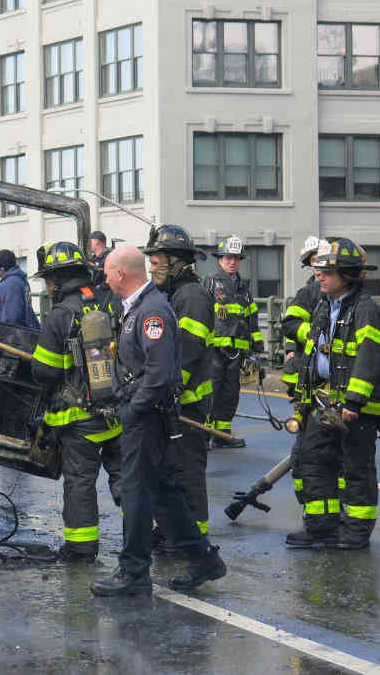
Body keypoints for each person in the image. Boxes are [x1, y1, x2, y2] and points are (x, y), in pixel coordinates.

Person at [91, 246, 226, 597]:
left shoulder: (151, 312)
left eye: (107, 272)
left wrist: (134, 408)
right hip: (145, 413)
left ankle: (134, 570)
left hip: (148, 417)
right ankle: (204, 559)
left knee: (135, 492)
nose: (104, 278)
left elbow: (160, 373)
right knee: (162, 492)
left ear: (121, 274)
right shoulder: (138, 308)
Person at [287, 238, 380, 551]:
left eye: (326, 272)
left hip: (352, 407)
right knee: (315, 461)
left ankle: (356, 532)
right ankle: (322, 528)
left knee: (356, 468)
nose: (318, 276)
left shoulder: (365, 310)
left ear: (346, 275)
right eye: (318, 271)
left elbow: (369, 357)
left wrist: (353, 402)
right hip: (323, 401)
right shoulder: (325, 306)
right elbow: (313, 353)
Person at [29, 240, 122, 562]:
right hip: (116, 411)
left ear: (55, 280)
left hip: (79, 419)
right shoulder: (109, 303)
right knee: (126, 479)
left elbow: (45, 371)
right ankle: (148, 534)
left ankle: (81, 549)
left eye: (47, 280)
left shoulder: (59, 315)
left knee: (80, 483)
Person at [141, 224, 215, 540]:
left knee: (187, 474)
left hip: (188, 405)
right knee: (168, 472)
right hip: (171, 402)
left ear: (175, 260)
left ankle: (192, 539)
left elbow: (187, 351)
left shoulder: (193, 296)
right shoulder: (170, 294)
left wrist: (165, 392)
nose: (151, 266)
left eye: (156, 261)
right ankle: (173, 530)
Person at [202, 235, 264, 447]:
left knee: (230, 395)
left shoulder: (244, 290)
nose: (232, 262)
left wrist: (257, 351)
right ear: (220, 260)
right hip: (214, 352)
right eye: (228, 257)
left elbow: (252, 321)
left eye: (236, 258)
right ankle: (204, 435)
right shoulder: (210, 283)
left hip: (237, 353)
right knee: (211, 392)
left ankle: (222, 436)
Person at [279, 236, 322, 503]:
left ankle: (325, 500)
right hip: (307, 379)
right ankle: (306, 496)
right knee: (306, 439)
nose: (318, 266)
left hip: (330, 381)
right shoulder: (308, 294)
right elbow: (291, 323)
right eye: (314, 261)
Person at [0, 249, 39, 329]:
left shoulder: (10, 284)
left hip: (12, 337)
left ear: (1, 269)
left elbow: (11, 318)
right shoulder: (20, 280)